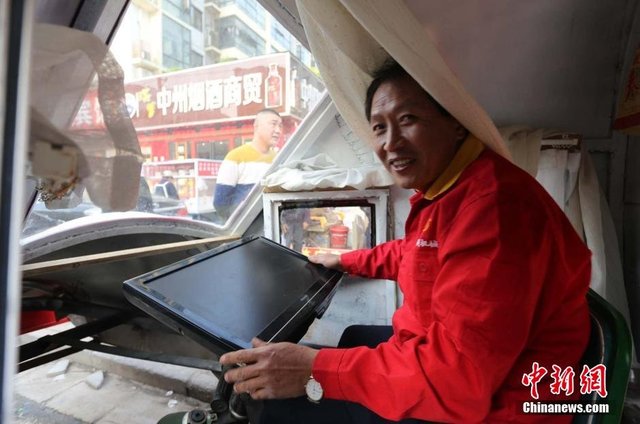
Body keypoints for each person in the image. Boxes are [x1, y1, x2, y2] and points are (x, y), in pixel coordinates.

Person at [219, 61, 592, 423]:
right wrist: (347, 260)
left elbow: (458, 382)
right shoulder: (452, 189)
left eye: (408, 119)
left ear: (456, 123)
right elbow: (419, 254)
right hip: (454, 361)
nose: (391, 142)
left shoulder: (493, 208)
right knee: (352, 337)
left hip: (496, 405)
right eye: (379, 128)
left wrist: (313, 370)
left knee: (275, 403)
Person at [213, 109, 283, 221]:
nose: (278, 130)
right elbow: (220, 203)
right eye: (273, 124)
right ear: (256, 126)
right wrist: (240, 224)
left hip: (272, 226)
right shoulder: (235, 157)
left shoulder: (278, 159)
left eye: (280, 126)